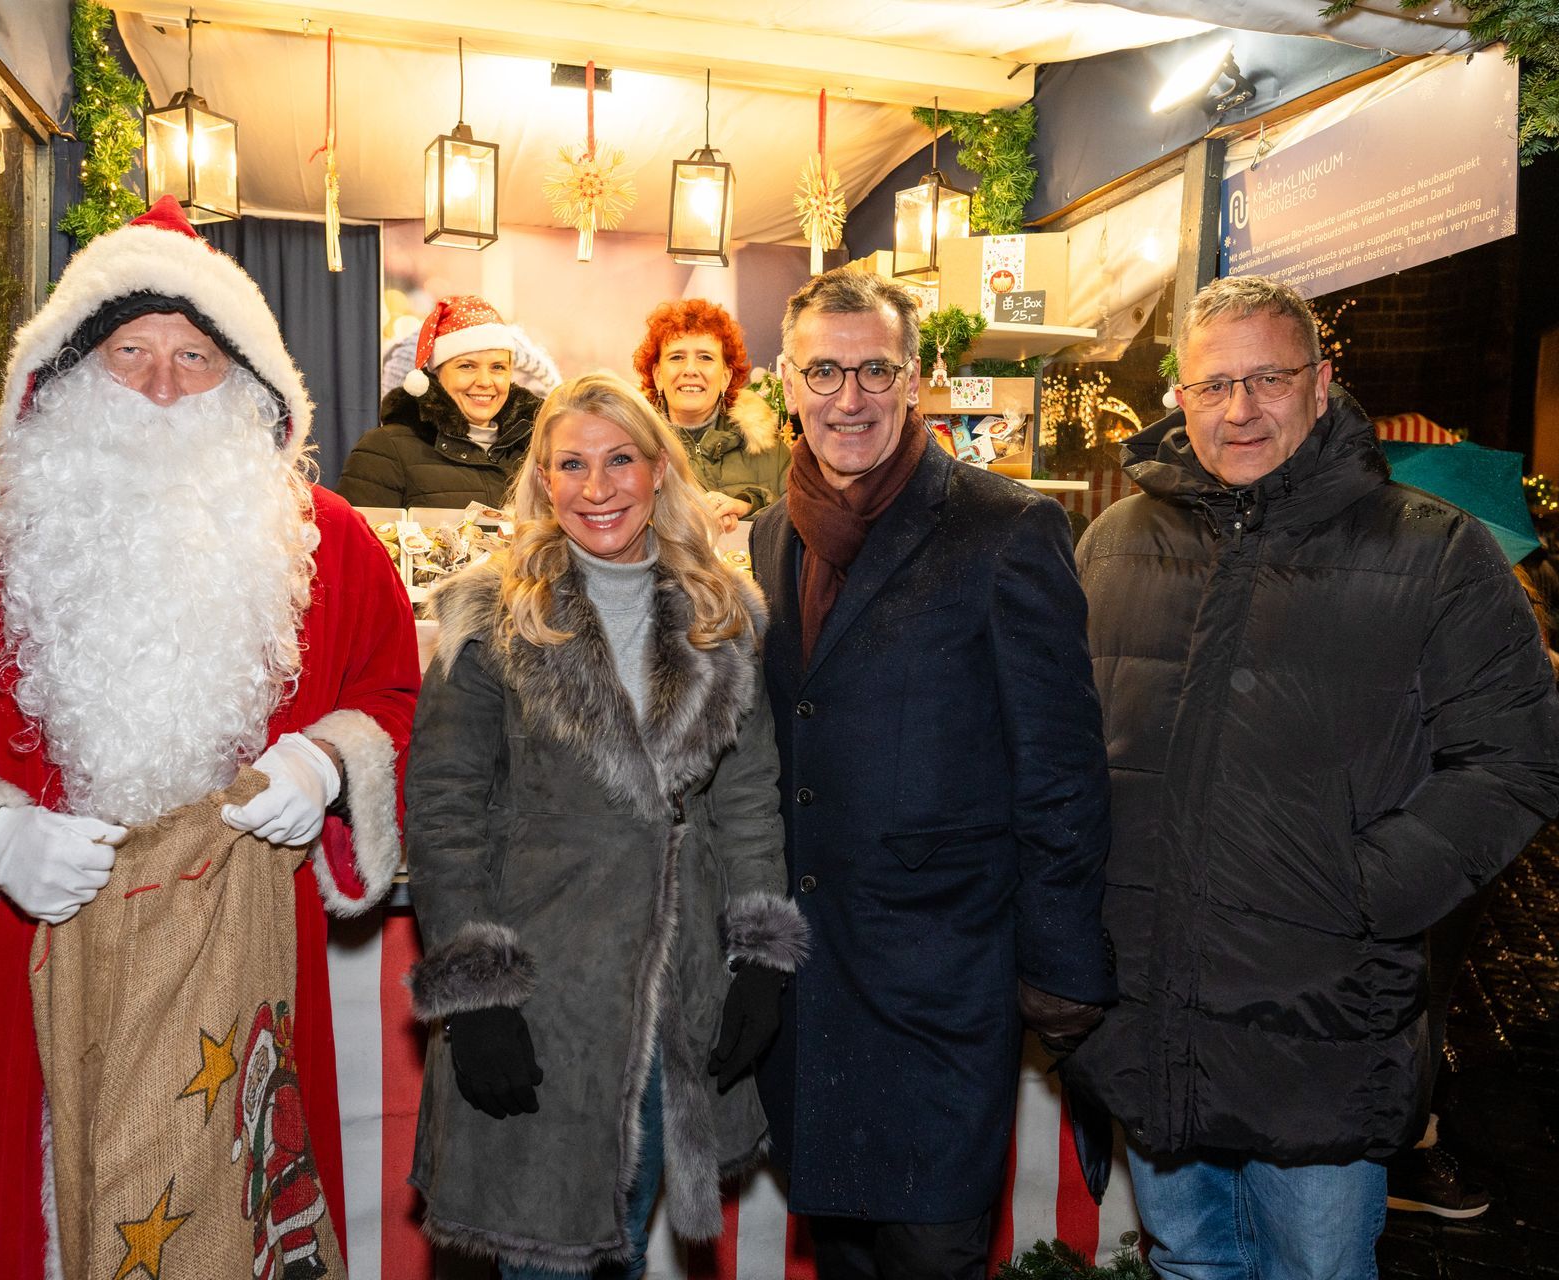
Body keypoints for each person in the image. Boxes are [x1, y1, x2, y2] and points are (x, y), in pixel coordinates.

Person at [0, 196, 420, 1280]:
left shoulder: (335, 545)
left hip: (243, 967)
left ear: (254, 383)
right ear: (66, 371)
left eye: (196, 356)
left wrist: (328, 760)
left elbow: (400, 703)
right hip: (13, 980)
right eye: (130, 353)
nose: (165, 387)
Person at [1072, 274, 1559, 1279]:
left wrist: (1359, 889)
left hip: (1322, 1028)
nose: (1242, 408)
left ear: (1323, 381)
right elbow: (1066, 752)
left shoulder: (1432, 551)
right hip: (1156, 1022)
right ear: (1179, 393)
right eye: (1215, 385)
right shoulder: (1115, 544)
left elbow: (1517, 760)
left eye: (1269, 377)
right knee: (1190, 1264)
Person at [749, 267, 1115, 1279]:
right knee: (845, 1254)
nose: (849, 396)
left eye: (875, 369)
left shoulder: (1006, 527)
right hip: (813, 984)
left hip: (941, 983)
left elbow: (1061, 769)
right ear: (786, 382)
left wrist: (1060, 969)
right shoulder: (770, 532)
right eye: (824, 370)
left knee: (932, 1253)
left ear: (916, 381)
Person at [403, 371, 807, 1275]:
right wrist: (478, 997)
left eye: (620, 460)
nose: (597, 487)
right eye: (571, 464)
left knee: (620, 1245)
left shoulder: (721, 615)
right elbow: (444, 813)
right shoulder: (493, 616)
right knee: (542, 1253)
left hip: (676, 997)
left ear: (659, 469)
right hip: (543, 995)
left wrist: (761, 964)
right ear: (543, 479)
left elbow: (748, 800)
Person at [339, 295, 545, 509]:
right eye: (467, 366)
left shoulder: (536, 450)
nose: (485, 381)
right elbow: (356, 540)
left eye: (498, 367)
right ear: (436, 373)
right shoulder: (384, 450)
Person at [632, 297, 789, 531]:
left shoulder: (770, 450)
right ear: (657, 376)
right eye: (677, 357)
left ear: (726, 377)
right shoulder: (631, 448)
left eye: (705, 357)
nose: (691, 370)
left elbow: (804, 523)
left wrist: (750, 506)